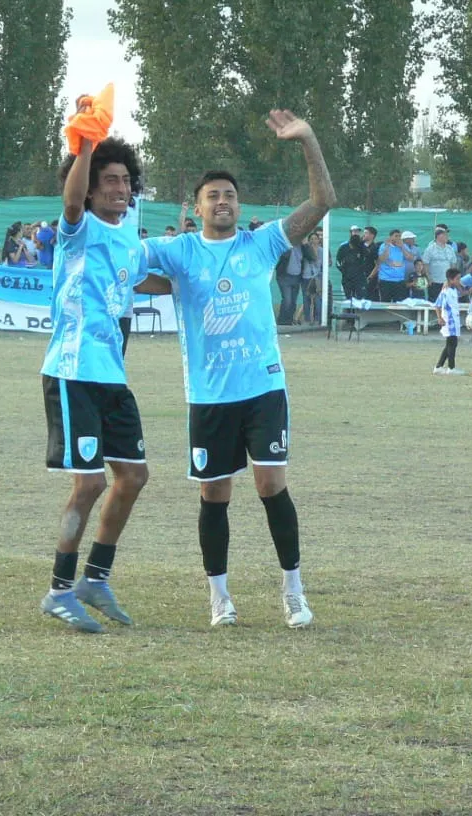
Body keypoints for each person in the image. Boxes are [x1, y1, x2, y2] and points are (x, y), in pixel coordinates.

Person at [140, 109, 334, 629]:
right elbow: (125, 262)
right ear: (197, 207)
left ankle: (293, 591)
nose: (222, 201)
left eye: (229, 194)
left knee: (272, 485)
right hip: (209, 394)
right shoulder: (180, 251)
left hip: (263, 388)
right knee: (214, 494)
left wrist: (307, 140)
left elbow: (322, 202)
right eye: (213, 196)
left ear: (238, 205)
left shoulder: (261, 242)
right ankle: (219, 598)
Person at [39, 111, 164, 634]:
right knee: (89, 483)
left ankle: (95, 578)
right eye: (108, 181)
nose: (120, 188)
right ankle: (58, 590)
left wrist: (201, 283)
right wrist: (86, 144)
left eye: (126, 180)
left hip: (112, 377)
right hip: (72, 372)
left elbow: (144, 281)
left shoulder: (129, 240)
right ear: (90, 189)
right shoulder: (79, 228)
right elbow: (70, 203)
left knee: (133, 476)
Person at [431, 268, 465, 375]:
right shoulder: (446, 291)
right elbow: (437, 305)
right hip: (449, 321)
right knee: (452, 343)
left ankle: (439, 366)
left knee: (450, 344)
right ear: (451, 279)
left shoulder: (453, 289)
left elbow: (461, 292)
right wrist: (440, 318)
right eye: (457, 279)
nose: (459, 281)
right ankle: (451, 367)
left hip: (454, 320)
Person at [422, 228, 458, 301]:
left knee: (447, 301)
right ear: (438, 236)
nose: (447, 236)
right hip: (434, 282)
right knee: (434, 301)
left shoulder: (450, 249)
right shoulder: (430, 249)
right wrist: (428, 278)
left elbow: (453, 264)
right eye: (445, 235)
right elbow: (425, 264)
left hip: (447, 282)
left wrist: (452, 279)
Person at [376, 229, 409, 302]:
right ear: (390, 237)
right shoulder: (383, 246)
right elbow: (382, 259)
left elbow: (410, 258)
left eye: (399, 236)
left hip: (399, 280)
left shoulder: (404, 246)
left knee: (399, 303)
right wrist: (387, 246)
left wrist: (402, 247)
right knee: (385, 302)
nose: (398, 238)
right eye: (396, 236)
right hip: (386, 280)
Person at [336, 226, 368, 300]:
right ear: (350, 233)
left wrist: (362, 244)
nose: (356, 233)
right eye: (354, 231)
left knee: (361, 298)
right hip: (347, 278)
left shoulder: (362, 246)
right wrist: (344, 271)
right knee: (348, 299)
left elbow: (367, 257)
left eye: (357, 231)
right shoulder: (343, 247)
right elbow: (338, 261)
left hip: (360, 278)